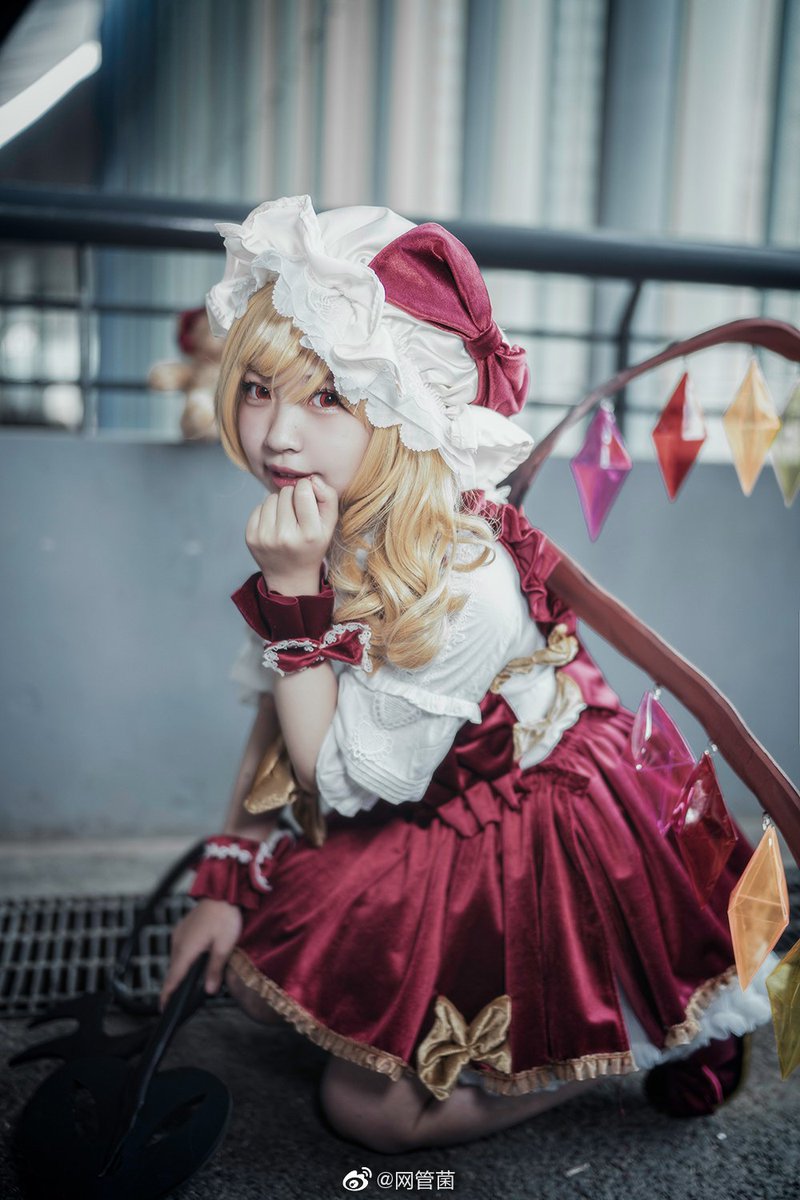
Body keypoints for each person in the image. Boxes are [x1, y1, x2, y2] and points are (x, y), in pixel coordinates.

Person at [160, 196, 775, 1154]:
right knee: (262, 988)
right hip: (420, 792)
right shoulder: (329, 513)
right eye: (258, 389)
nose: (276, 436)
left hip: (534, 823)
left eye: (329, 397)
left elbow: (342, 780)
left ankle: (634, 1051)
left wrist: (291, 598)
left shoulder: (464, 583)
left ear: (407, 406)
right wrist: (225, 872)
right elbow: (276, 704)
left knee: (368, 1116)